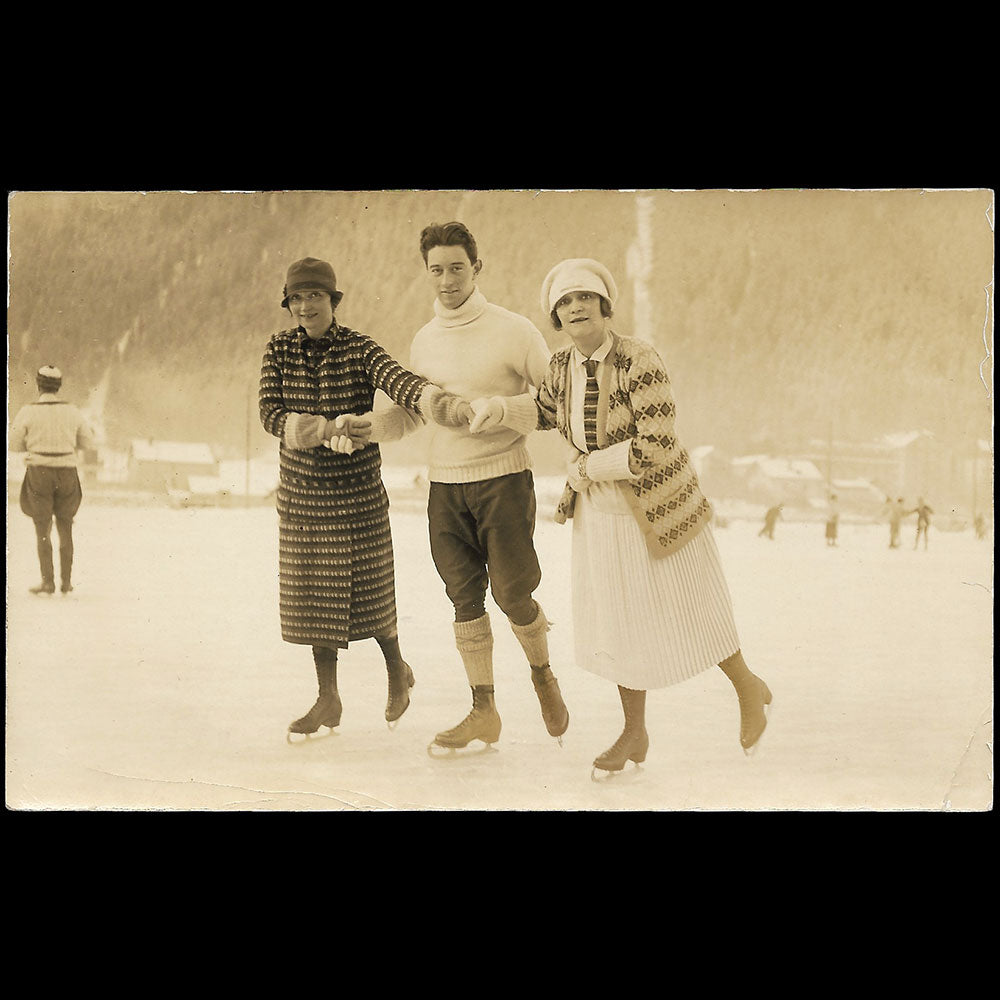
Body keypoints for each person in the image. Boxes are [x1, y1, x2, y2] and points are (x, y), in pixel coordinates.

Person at [468, 259, 772, 775]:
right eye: (564, 303)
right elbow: (543, 410)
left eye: (585, 298)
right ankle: (634, 731)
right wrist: (499, 409)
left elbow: (657, 442)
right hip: (601, 516)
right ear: (556, 317)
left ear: (605, 306)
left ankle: (747, 687)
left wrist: (589, 465)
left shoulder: (639, 359)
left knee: (693, 605)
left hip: (661, 508)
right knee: (619, 621)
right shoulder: (561, 367)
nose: (576, 308)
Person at [365, 221, 570, 752]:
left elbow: (558, 406)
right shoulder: (425, 339)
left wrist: (504, 410)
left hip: (503, 480)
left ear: (476, 269)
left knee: (512, 592)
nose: (447, 279)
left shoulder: (515, 330)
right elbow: (415, 414)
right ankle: (484, 710)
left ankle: (543, 675)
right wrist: (375, 427)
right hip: (445, 489)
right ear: (427, 273)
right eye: (436, 270)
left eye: (457, 267)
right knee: (464, 598)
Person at [258, 256, 469, 741]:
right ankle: (328, 698)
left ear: (333, 301)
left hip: (356, 495)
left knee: (370, 594)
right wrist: (322, 429)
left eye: (315, 296)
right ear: (288, 304)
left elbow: (401, 382)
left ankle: (397, 669)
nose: (305, 306)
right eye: (297, 297)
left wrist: (444, 404)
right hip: (303, 497)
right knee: (316, 601)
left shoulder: (359, 348)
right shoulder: (278, 349)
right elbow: (270, 413)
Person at [10, 365, 96, 595]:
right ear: (59, 386)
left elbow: (14, 444)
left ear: (38, 385)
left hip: (39, 472)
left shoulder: (28, 411)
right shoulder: (73, 412)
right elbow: (89, 444)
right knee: (65, 527)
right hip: (67, 471)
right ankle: (66, 583)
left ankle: (47, 582)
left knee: (42, 529)